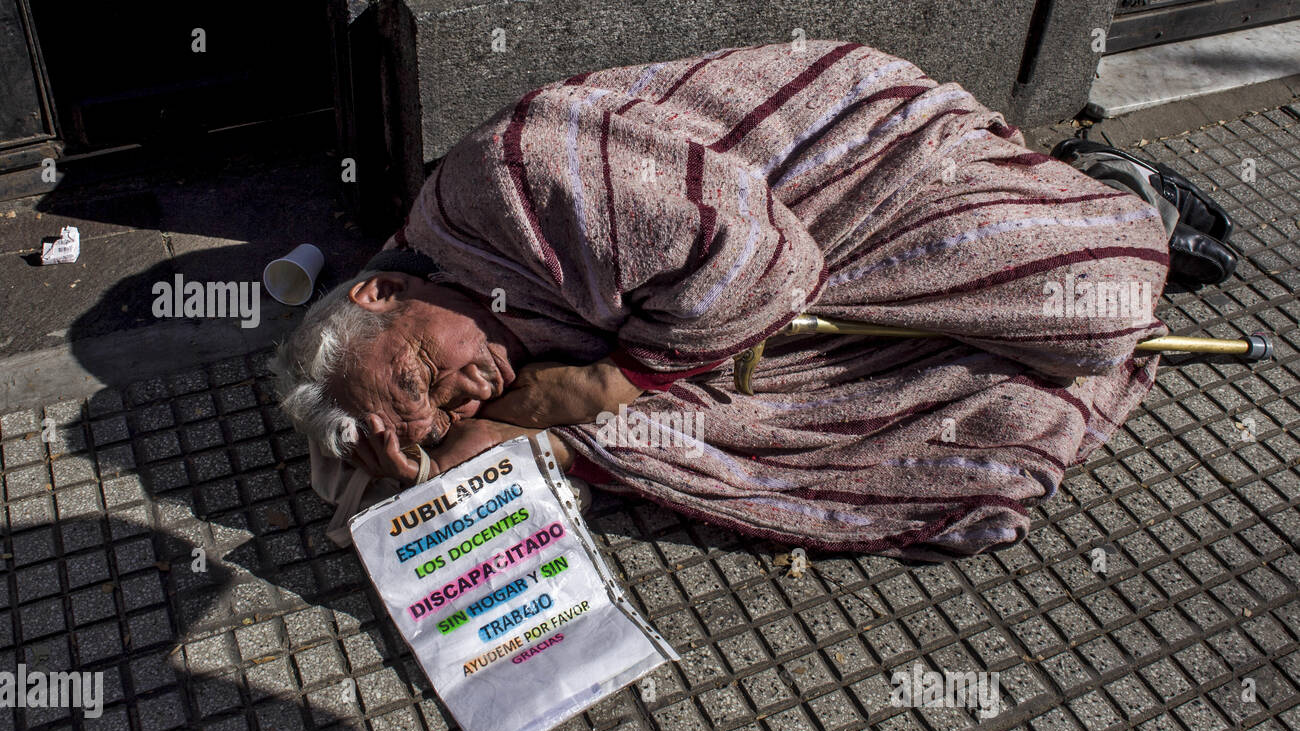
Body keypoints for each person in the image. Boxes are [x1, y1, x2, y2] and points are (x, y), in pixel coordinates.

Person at [273, 39, 1184, 560]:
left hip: (863, 164)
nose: (465, 393)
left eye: (427, 374)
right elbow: (416, 444)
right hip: (749, 300)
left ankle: (1114, 185)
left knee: (1098, 308)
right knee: (973, 422)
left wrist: (601, 386)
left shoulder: (514, 182)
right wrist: (436, 463)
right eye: (444, 409)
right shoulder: (453, 302)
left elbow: (762, 257)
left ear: (384, 287)